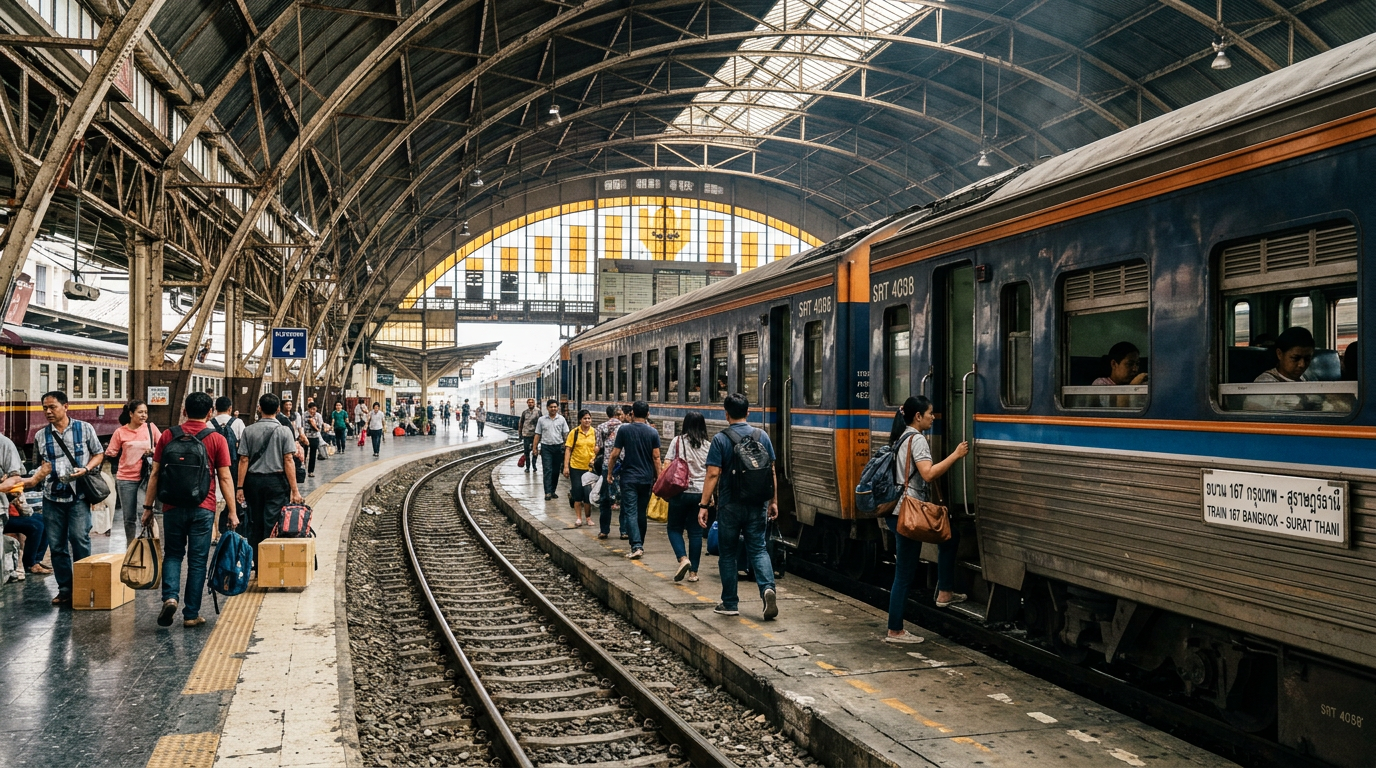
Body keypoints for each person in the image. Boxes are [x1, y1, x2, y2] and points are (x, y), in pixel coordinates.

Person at [882, 396, 970, 644]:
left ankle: (945, 591)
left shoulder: (902, 436)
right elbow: (928, 474)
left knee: (949, 537)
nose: (933, 416)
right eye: (930, 413)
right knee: (904, 574)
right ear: (918, 416)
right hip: (909, 512)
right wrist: (956, 455)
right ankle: (895, 630)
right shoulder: (917, 439)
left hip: (899, 509)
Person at [143, 392, 234, 628]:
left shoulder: (168, 435)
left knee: (173, 554)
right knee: (197, 561)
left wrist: (147, 507)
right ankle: (191, 614)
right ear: (210, 413)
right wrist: (232, 511)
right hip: (203, 507)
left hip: (171, 506)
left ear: (184, 411)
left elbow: (155, 474)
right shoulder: (216, 438)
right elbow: (224, 478)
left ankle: (170, 597)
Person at [18, 391, 105, 606]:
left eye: (52, 407)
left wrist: (86, 468)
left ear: (66, 406)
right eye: (45, 408)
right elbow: (38, 465)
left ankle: (85, 586)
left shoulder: (84, 429)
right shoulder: (40, 436)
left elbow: (99, 453)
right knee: (56, 546)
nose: (48, 411)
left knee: (79, 539)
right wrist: (40, 473)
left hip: (78, 494)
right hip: (52, 496)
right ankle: (65, 589)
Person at [697, 393, 776, 620]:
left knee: (728, 554)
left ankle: (730, 602)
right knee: (758, 548)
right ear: (748, 413)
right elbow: (771, 472)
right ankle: (767, 589)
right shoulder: (762, 436)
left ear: (726, 414)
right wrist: (773, 501)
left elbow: (713, 474)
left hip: (730, 505)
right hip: (757, 503)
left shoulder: (720, 439)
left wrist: (704, 505)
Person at [236, 393, 303, 556]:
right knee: (273, 523)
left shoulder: (249, 430)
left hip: (253, 482)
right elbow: (288, 460)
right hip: (276, 483)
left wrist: (239, 487)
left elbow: (243, 460)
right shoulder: (284, 431)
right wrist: (295, 490)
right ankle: (270, 563)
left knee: (255, 522)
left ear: (259, 408)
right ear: (278, 409)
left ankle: (258, 563)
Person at [607, 400, 660, 560]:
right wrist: (660, 478)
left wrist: (609, 473)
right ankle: (639, 543)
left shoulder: (624, 430)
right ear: (648, 414)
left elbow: (615, 454)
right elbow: (656, 457)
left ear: (631, 414)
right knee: (641, 512)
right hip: (646, 478)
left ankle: (636, 545)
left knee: (630, 511)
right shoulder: (652, 432)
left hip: (628, 477)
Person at [105, 399, 162, 544]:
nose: (144, 415)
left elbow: (164, 446)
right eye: (140, 412)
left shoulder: (151, 428)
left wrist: (154, 451)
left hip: (146, 478)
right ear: (131, 414)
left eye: (145, 412)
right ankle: (131, 547)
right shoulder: (120, 432)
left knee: (144, 512)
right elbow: (111, 453)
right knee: (129, 517)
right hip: (126, 479)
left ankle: (153, 545)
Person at [665, 411, 709, 582]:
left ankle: (683, 559)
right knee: (696, 533)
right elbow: (712, 473)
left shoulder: (677, 441)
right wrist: (709, 496)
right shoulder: (708, 445)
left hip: (679, 491)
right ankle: (694, 573)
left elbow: (667, 465)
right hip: (700, 494)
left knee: (674, 528)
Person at [1, 434, 48, 576]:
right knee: (36, 525)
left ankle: (34, 561)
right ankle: (31, 563)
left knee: (43, 521)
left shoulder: (4, 445)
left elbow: (17, 487)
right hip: (8, 515)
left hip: (7, 513)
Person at [1249, 326, 1317, 411]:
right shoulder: (1264, 384)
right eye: (1295, 358)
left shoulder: (1307, 379)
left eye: (1307, 359)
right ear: (1279, 354)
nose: (1302, 365)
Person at [209, 396, 245, 538]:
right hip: (232, 465)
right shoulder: (237, 423)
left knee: (215, 498)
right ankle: (231, 526)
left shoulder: (209, 424)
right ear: (230, 409)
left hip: (213, 466)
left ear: (215, 409)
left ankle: (215, 533)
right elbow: (243, 447)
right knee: (231, 496)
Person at [593, 405, 623, 539]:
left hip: (607, 466)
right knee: (625, 499)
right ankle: (624, 531)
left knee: (605, 499)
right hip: (623, 466)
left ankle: (604, 530)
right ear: (619, 414)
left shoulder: (600, 427)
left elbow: (599, 447)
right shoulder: (625, 427)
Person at [562, 410, 597, 526]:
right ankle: (578, 518)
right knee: (577, 493)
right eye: (585, 418)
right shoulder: (574, 432)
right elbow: (568, 449)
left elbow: (598, 448)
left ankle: (588, 517)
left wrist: (594, 459)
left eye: (589, 418)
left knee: (588, 494)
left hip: (590, 468)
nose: (587, 421)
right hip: (576, 467)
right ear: (580, 420)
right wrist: (566, 467)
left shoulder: (595, 432)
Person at [532, 399, 569, 500]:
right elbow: (537, 434)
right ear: (547, 408)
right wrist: (534, 448)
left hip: (558, 447)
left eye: (555, 407)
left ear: (558, 408)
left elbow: (566, 434)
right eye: (551, 407)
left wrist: (568, 447)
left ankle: (553, 490)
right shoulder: (542, 420)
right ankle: (547, 492)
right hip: (546, 447)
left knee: (556, 471)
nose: (553, 409)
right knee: (547, 470)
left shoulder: (562, 419)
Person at [1092, 341, 1148, 408]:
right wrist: (1133, 386)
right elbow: (1118, 411)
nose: (1135, 369)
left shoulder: (1140, 383)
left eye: (1137, 364)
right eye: (1130, 364)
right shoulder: (1101, 384)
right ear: (1114, 364)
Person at [518, 398, 541, 472]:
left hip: (535, 435)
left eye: (532, 402)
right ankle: (527, 467)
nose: (530, 404)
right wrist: (520, 433)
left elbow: (541, 423)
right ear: (527, 403)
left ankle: (534, 465)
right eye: (529, 402)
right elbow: (521, 423)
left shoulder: (538, 412)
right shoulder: (524, 412)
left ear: (534, 403)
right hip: (526, 434)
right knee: (526, 451)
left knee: (535, 450)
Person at [303, 403, 323, 477]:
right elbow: (302, 426)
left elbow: (319, 428)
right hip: (305, 437)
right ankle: (302, 469)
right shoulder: (304, 415)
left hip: (314, 437)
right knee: (304, 454)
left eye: (314, 409)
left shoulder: (318, 416)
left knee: (313, 454)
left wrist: (313, 423)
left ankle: (310, 471)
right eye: (310, 409)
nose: (312, 411)